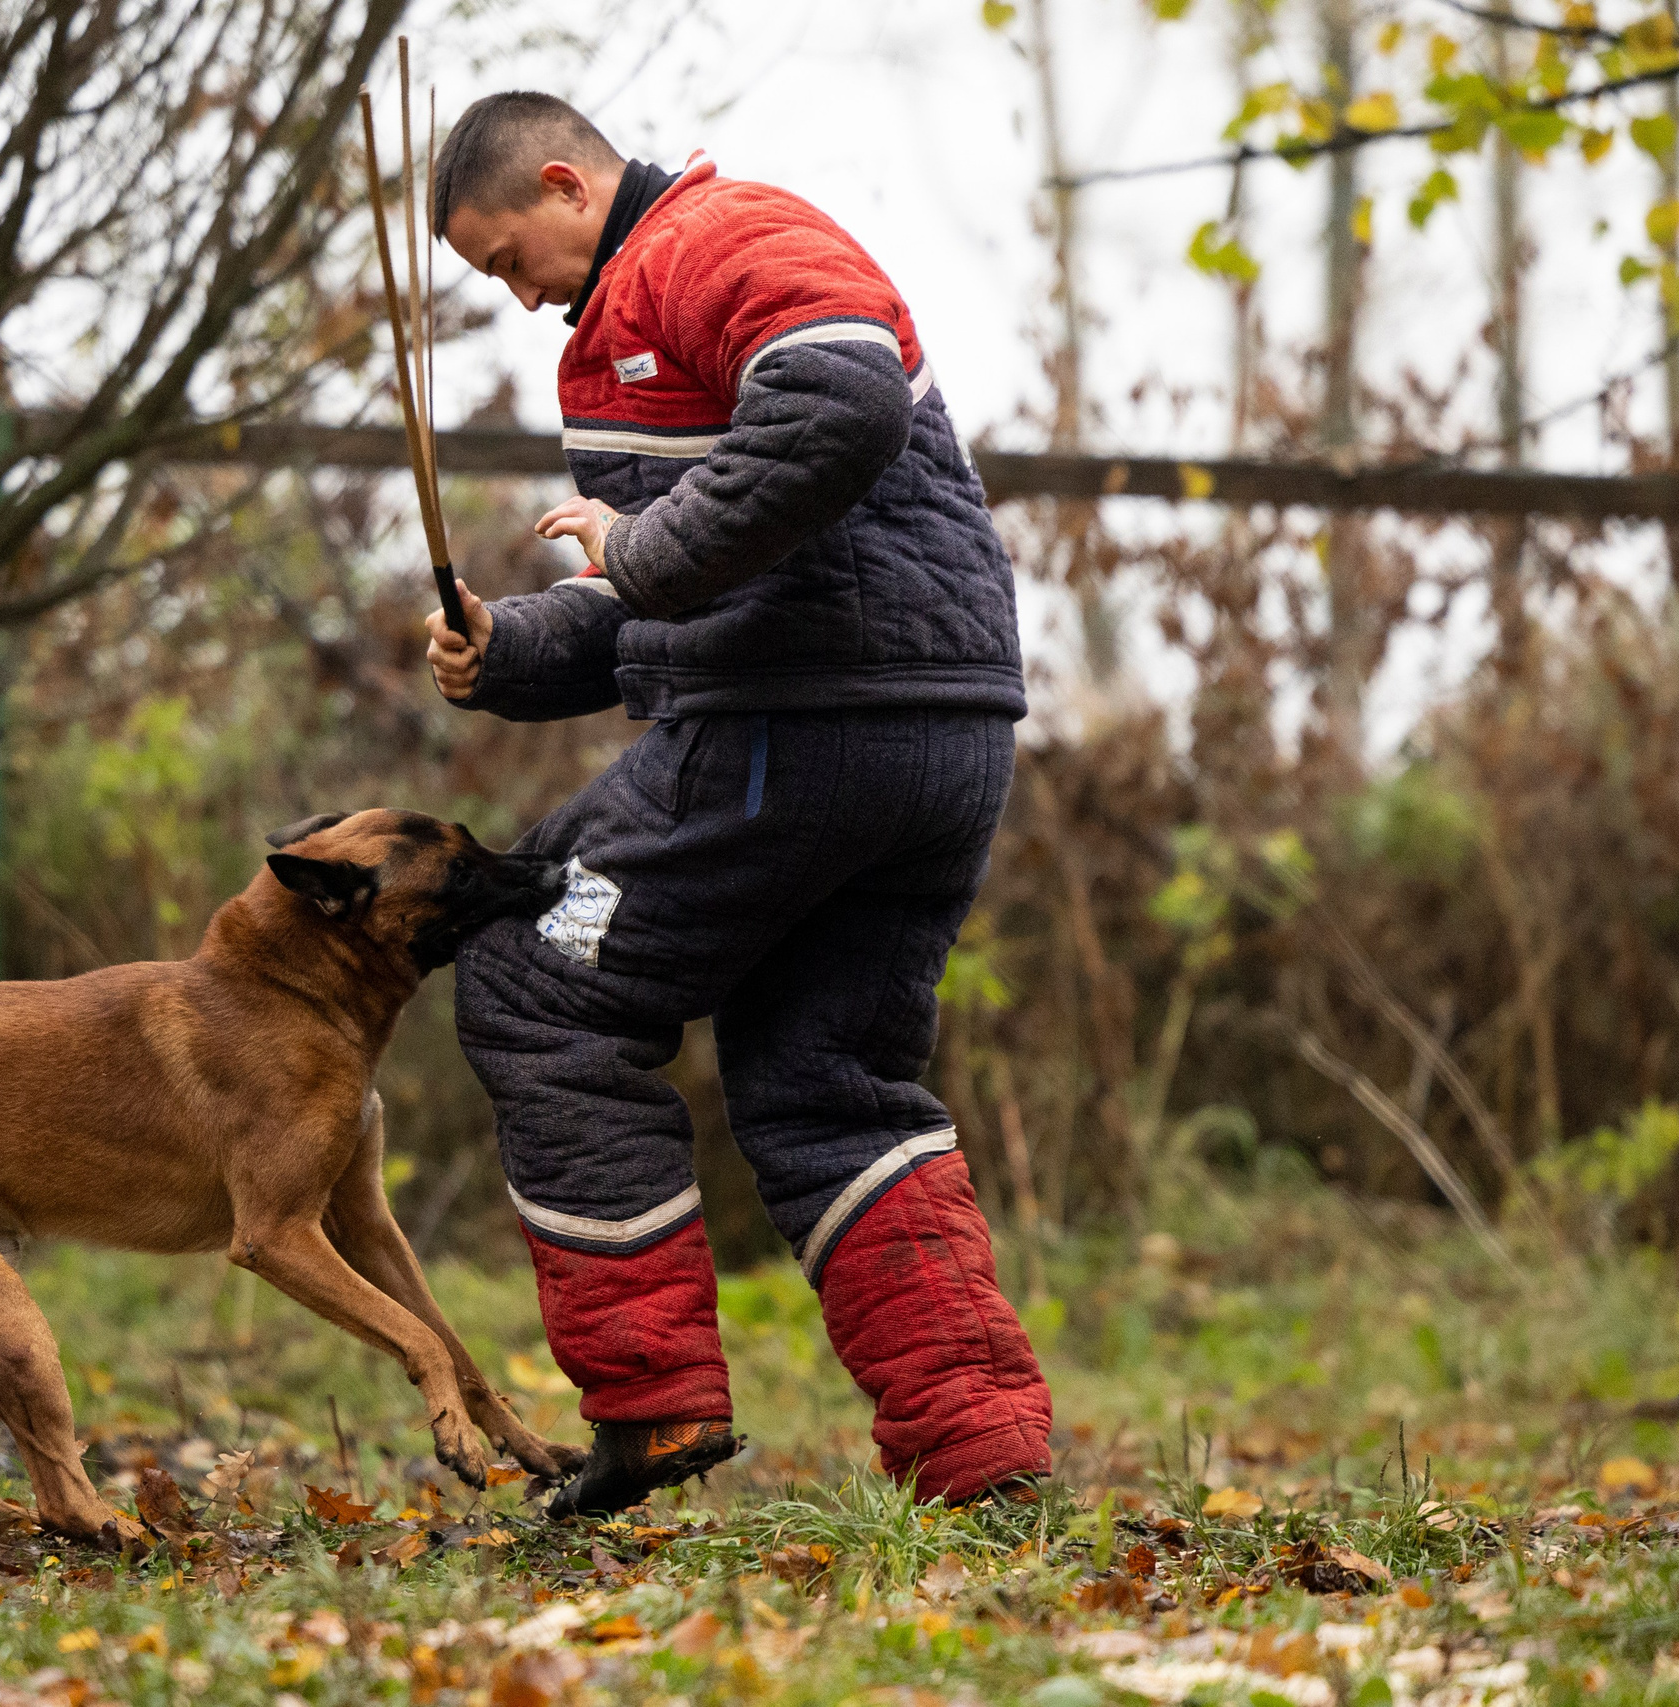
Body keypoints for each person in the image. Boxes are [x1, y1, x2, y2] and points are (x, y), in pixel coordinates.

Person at [422, 92, 1053, 1517]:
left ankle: (648, 1406)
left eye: (509, 260)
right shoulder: (639, 317)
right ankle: (981, 1450)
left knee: (530, 974)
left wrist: (638, 551)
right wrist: (506, 649)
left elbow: (837, 404)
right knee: (826, 1081)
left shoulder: (716, 235)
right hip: (929, 740)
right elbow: (684, 580)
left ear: (571, 186)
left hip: (801, 730)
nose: (518, 300)